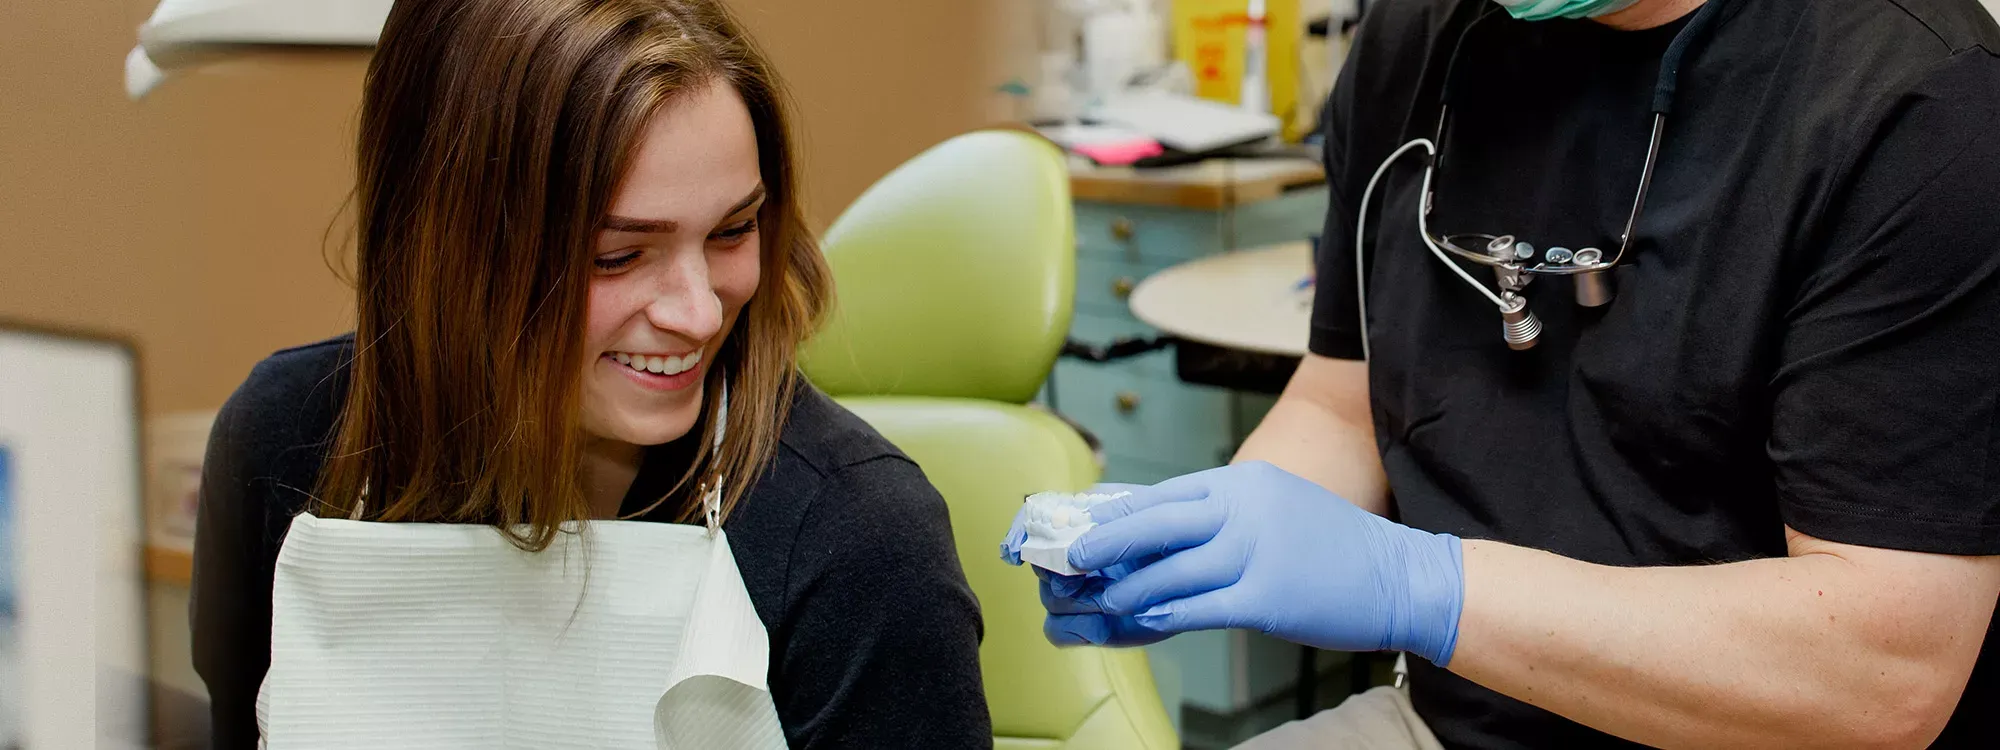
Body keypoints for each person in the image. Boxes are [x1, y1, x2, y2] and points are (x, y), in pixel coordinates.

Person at [1011, 0, 2000, 746]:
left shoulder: (1917, 104)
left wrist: (1415, 586)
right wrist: (1202, 532)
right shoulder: (1419, 39)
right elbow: (1341, 404)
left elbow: (1884, 668)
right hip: (1449, 726)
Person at [190, 1, 989, 747]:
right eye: (619, 255)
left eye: (732, 230)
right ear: (449, 249)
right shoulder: (285, 438)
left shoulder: (861, 540)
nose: (700, 313)